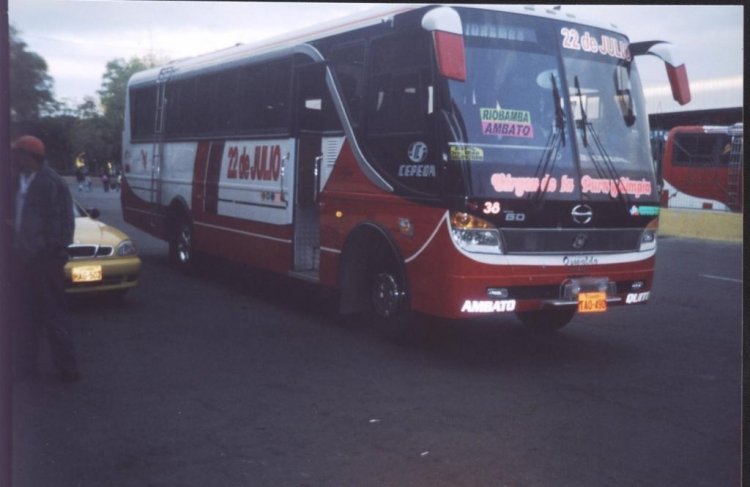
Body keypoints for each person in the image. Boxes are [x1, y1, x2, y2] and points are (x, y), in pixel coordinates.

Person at [11, 135, 79, 382]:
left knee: (53, 315)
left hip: (45, 261)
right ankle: (27, 367)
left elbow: (64, 224)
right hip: (22, 260)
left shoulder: (52, 182)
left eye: (17, 153)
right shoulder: (17, 179)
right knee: (27, 315)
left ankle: (67, 368)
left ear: (29, 156)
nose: (13, 157)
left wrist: (50, 251)